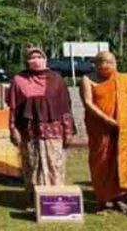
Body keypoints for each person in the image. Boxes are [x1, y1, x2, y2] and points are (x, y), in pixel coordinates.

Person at [80, 50, 127, 213]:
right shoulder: (87, 79)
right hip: (100, 129)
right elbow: (88, 103)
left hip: (124, 129)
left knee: (124, 161)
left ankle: (119, 198)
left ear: (115, 63)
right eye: (101, 61)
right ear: (95, 64)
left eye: (109, 61)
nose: (105, 65)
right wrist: (107, 120)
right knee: (101, 162)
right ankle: (102, 200)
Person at [6, 47, 75, 203]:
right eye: (32, 57)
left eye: (39, 57)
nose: (36, 60)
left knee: (54, 164)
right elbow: (13, 109)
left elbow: (65, 107)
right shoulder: (19, 80)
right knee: (32, 163)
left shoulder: (57, 79)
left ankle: (55, 199)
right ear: (26, 61)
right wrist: (13, 129)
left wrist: (68, 130)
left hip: (54, 131)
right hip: (30, 132)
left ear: (45, 59)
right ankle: (35, 199)